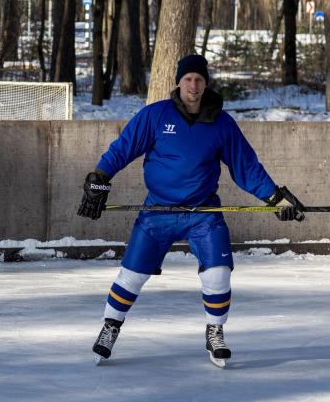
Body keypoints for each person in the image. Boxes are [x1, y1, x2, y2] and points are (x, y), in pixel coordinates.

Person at [77, 53, 304, 367]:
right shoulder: (156, 115)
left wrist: (276, 199)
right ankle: (110, 327)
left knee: (218, 273)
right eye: (188, 79)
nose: (193, 85)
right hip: (158, 211)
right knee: (132, 276)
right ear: (179, 82)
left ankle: (215, 331)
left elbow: (246, 167)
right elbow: (123, 148)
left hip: (202, 213)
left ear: (205, 83)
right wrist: (101, 176)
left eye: (199, 79)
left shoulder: (222, 123)